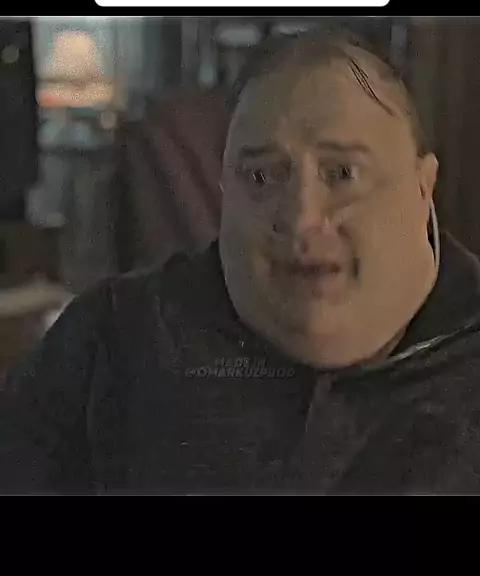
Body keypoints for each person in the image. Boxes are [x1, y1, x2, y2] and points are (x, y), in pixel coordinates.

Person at [3, 26, 480, 495]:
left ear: (423, 187)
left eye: (341, 173)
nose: (300, 218)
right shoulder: (110, 341)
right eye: (261, 177)